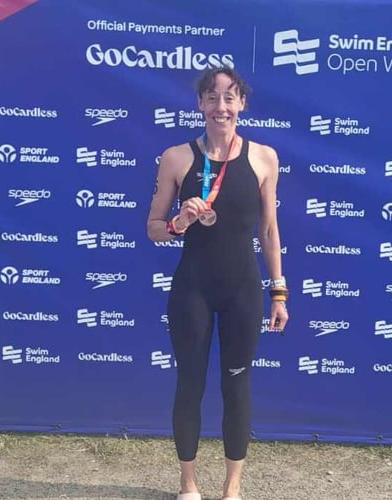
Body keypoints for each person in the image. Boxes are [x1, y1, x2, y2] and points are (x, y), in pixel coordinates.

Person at [146, 66, 289, 500]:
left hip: (242, 290)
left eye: (229, 97)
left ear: (241, 104)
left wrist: (278, 290)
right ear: (200, 104)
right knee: (190, 382)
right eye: (212, 97)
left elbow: (268, 231)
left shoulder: (264, 157)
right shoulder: (177, 158)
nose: (220, 106)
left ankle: (232, 488)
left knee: (237, 385)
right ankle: (188, 485)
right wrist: (179, 222)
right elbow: (153, 227)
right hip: (192, 287)